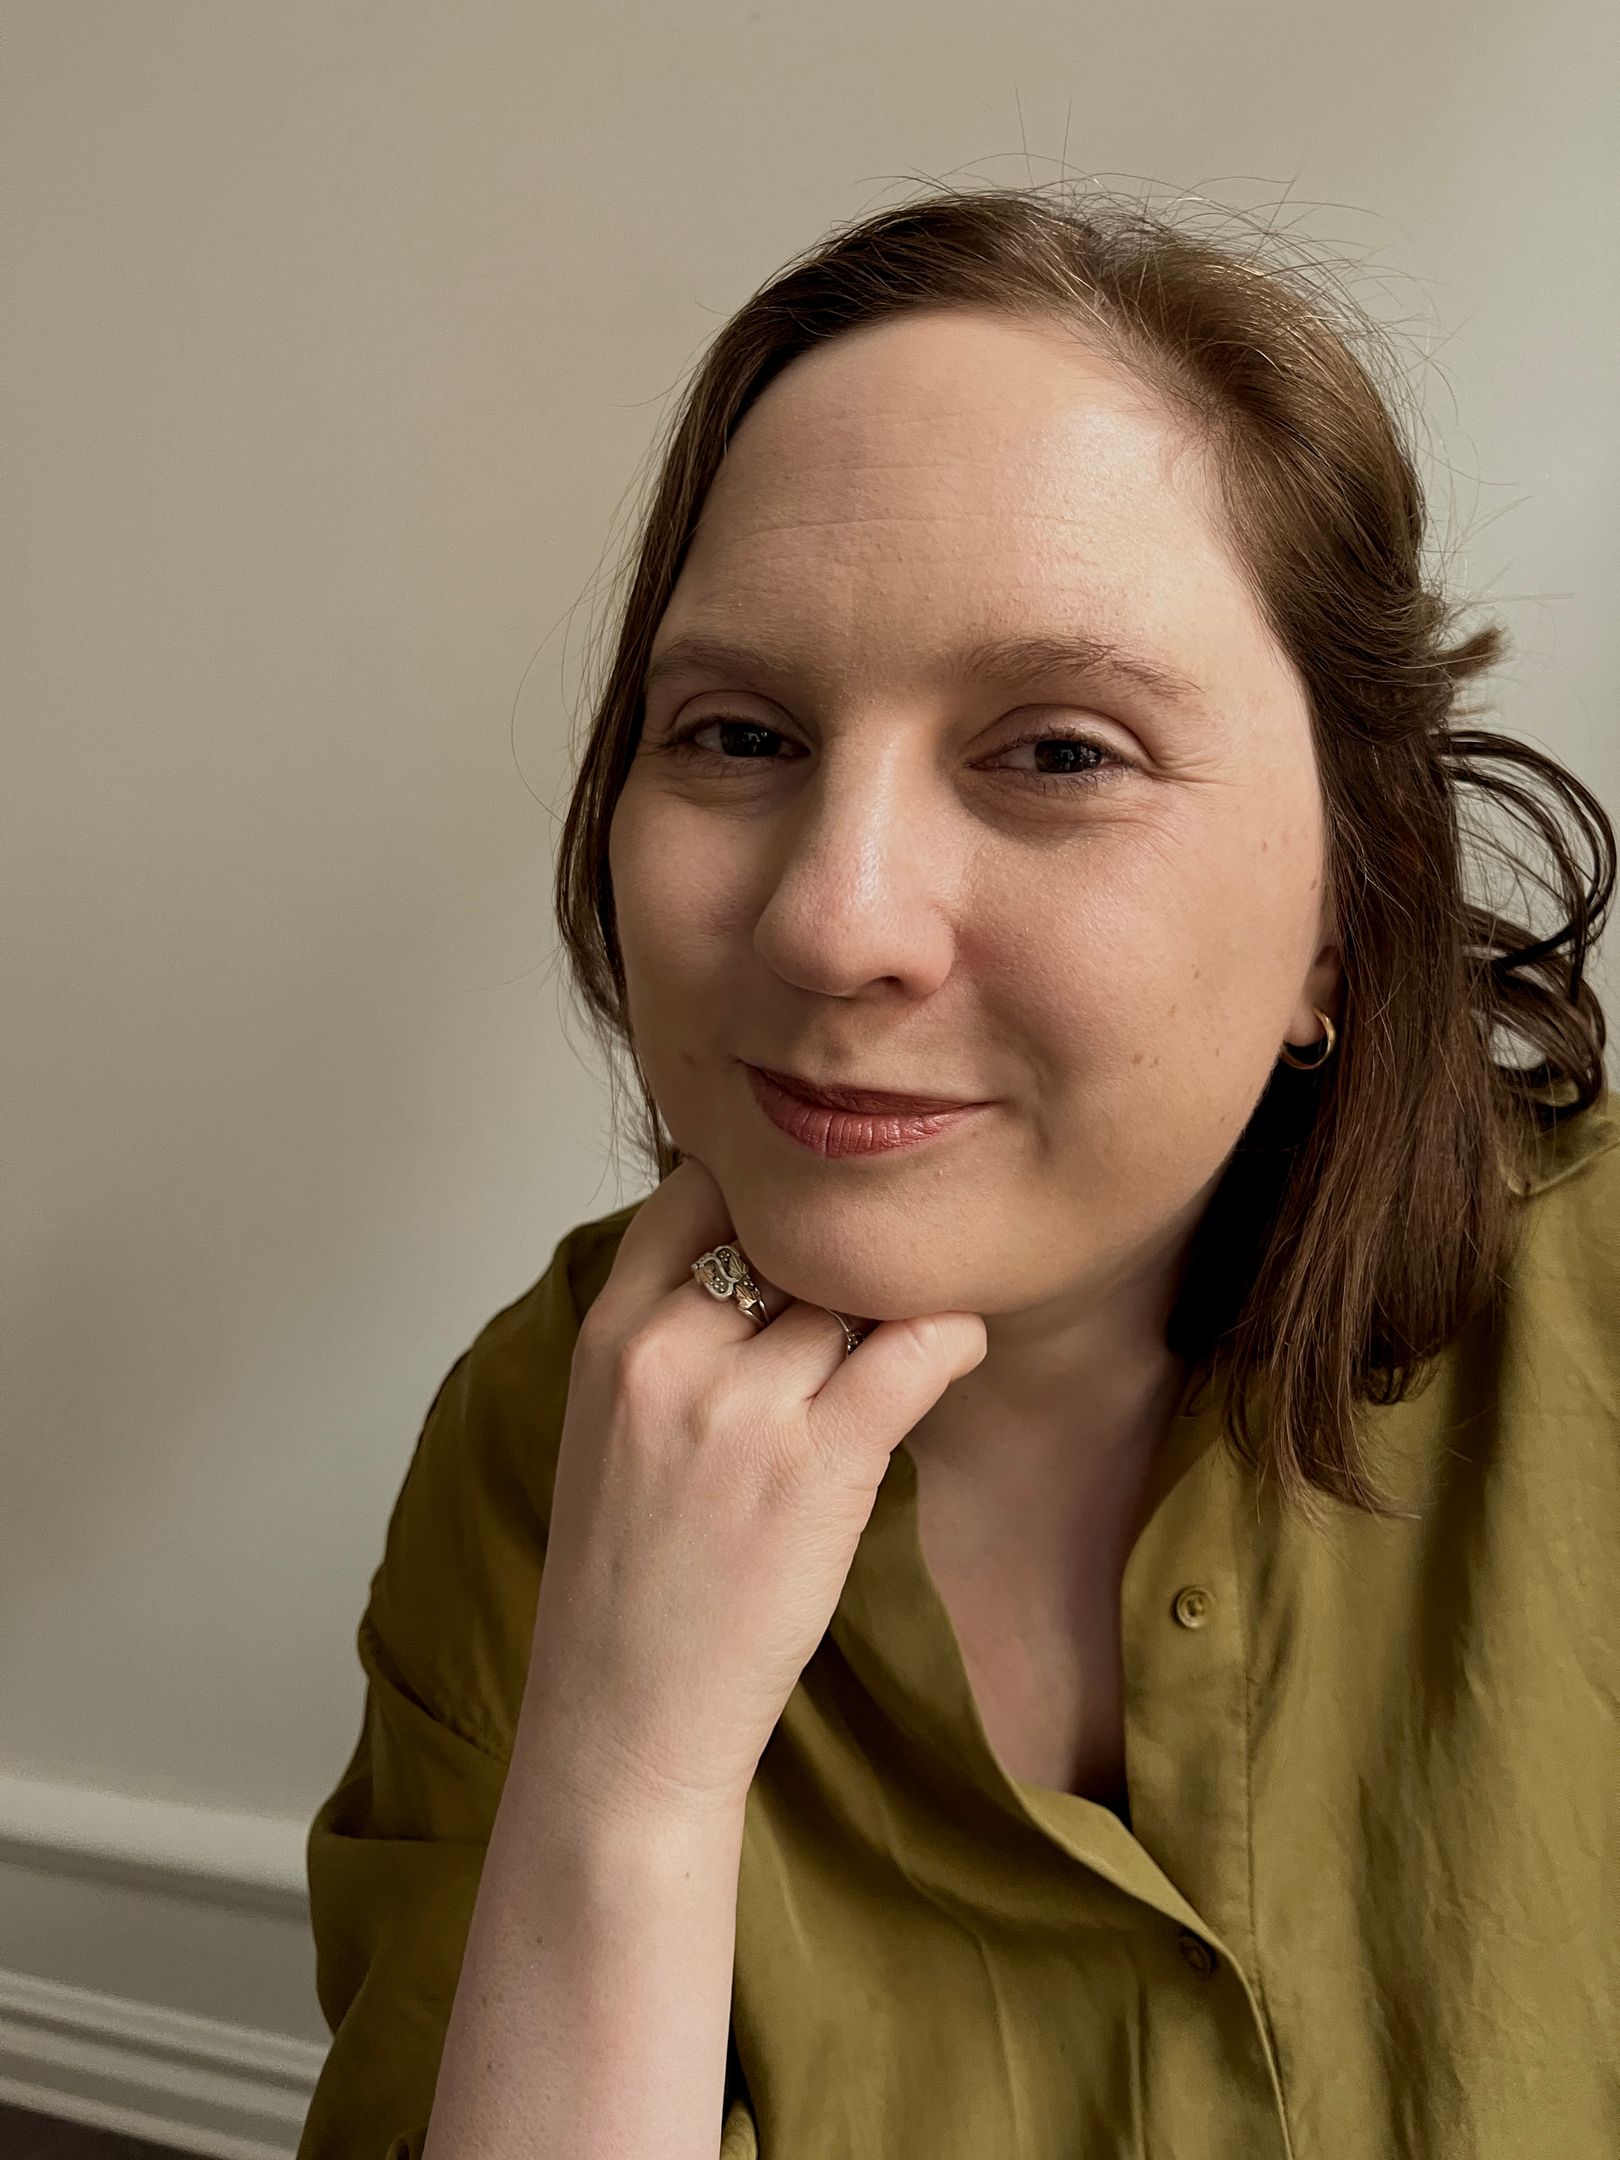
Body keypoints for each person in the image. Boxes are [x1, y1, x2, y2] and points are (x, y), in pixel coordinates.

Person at [295, 183, 1618, 2160]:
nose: (834, 923)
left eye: (1061, 753)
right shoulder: (537, 1447)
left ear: (1348, 911)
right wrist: (627, 1779)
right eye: (739, 734)